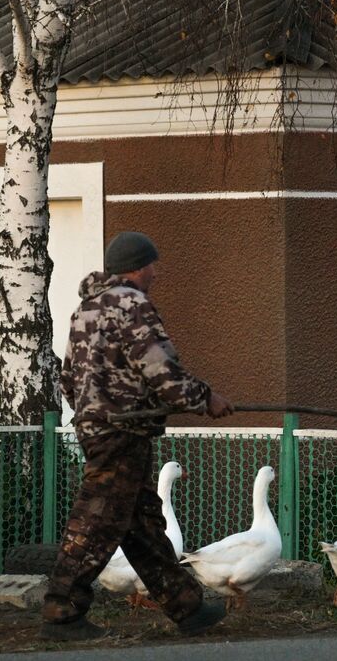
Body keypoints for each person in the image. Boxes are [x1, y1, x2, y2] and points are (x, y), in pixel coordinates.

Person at [40, 231, 235, 641]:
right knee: (94, 521)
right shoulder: (132, 304)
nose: (155, 274)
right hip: (123, 430)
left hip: (97, 427)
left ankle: (188, 607)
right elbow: (159, 367)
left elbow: (68, 378)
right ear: (139, 266)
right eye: (153, 266)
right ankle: (62, 610)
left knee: (141, 522)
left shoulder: (85, 310)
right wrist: (205, 399)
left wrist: (91, 413)